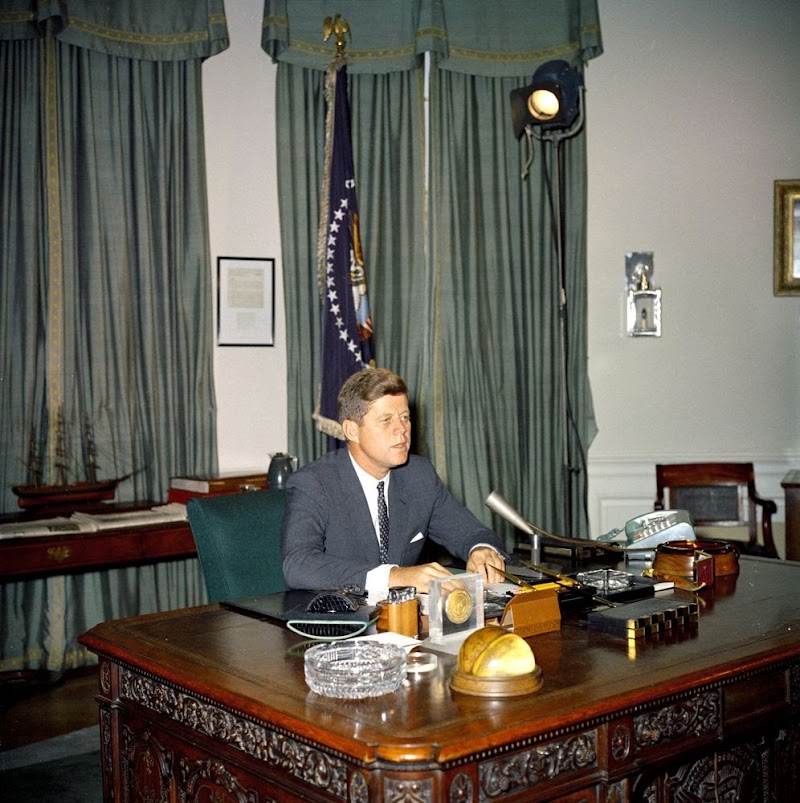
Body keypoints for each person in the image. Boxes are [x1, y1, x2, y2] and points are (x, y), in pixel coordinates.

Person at [280, 368, 507, 596]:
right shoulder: (314, 483)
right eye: (386, 420)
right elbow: (298, 564)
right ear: (351, 430)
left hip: (403, 620)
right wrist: (395, 576)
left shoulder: (419, 475)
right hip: (337, 621)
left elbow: (469, 533)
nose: (402, 430)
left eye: (405, 417)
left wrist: (481, 550)